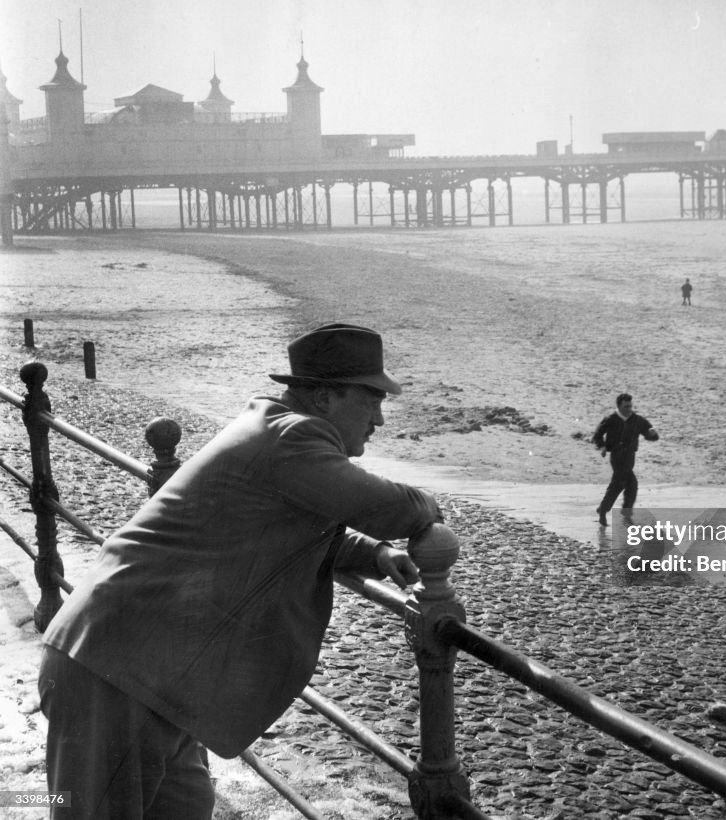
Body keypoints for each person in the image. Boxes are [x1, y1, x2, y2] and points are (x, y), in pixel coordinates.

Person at [38, 322, 443, 819]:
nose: (379, 418)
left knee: (184, 806)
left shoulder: (274, 431)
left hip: (146, 670)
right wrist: (429, 508)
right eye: (371, 400)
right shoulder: (292, 437)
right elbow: (389, 507)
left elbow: (294, 521)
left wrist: (374, 554)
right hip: (119, 669)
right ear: (325, 398)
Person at [592, 393, 659, 526]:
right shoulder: (610, 419)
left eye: (630, 406)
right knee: (621, 484)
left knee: (629, 485)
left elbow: (651, 435)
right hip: (617, 456)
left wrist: (653, 434)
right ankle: (612, 512)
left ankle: (607, 510)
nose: (629, 409)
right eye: (626, 406)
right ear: (619, 406)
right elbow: (597, 435)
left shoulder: (637, 420)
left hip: (630, 456)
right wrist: (603, 447)